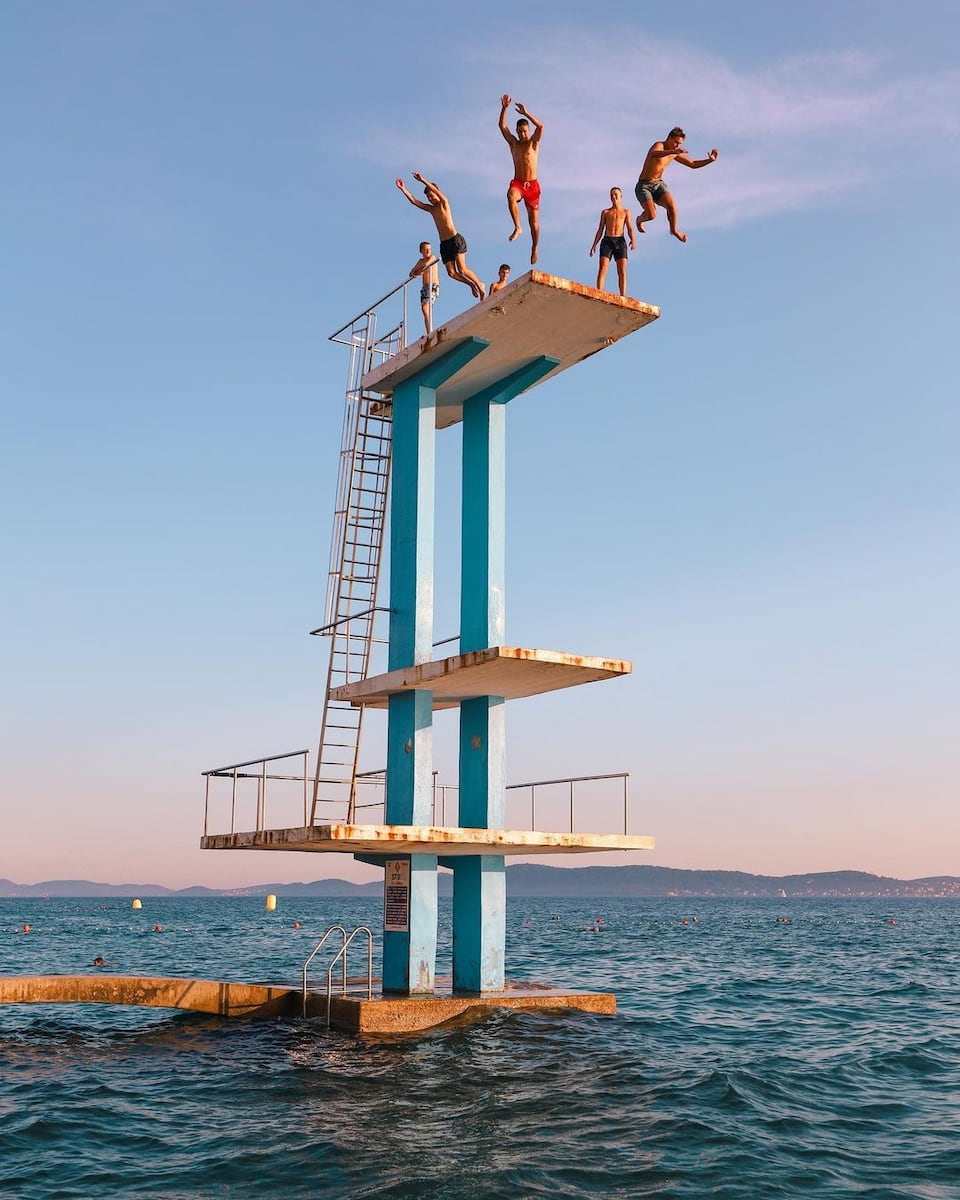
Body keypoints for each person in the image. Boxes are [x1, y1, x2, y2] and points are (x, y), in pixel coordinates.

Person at [395, 174, 485, 300]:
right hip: (444, 244)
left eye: (432, 196)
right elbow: (414, 201)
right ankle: (471, 284)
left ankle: (479, 284)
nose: (430, 199)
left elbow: (437, 192)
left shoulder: (444, 203)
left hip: (455, 239)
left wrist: (423, 180)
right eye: (428, 197)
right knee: (452, 273)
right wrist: (403, 188)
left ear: (437, 193)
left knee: (462, 269)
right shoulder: (431, 209)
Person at [634, 127, 718, 242]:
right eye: (676, 142)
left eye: (679, 144)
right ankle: (639, 220)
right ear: (669, 138)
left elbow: (692, 164)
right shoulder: (659, 145)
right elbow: (654, 154)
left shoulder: (675, 152)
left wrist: (710, 160)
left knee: (672, 206)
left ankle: (673, 230)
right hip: (644, 186)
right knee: (652, 215)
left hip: (658, 184)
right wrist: (673, 152)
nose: (677, 146)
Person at [499, 95, 543, 264]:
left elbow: (541, 126)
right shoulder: (514, 144)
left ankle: (534, 247)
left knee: (535, 224)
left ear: (528, 131)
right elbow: (502, 127)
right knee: (510, 195)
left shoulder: (533, 143)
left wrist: (526, 113)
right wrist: (504, 109)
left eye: (525, 131)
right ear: (517, 132)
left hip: (532, 186)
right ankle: (517, 226)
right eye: (520, 132)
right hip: (518, 183)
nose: (523, 134)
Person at [589, 188, 636, 296]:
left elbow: (630, 228)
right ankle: (599, 293)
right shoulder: (606, 212)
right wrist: (594, 244)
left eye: (615, 194)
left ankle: (623, 296)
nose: (613, 197)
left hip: (620, 241)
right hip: (607, 241)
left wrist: (633, 240)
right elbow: (600, 229)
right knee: (602, 268)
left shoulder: (626, 212)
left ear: (621, 196)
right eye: (611, 195)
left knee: (622, 270)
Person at [409, 241, 440, 335]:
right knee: (424, 309)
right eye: (425, 249)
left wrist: (418, 270)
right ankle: (428, 331)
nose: (428, 251)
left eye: (429, 249)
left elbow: (427, 264)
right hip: (425, 288)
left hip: (433, 286)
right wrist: (417, 271)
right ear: (421, 251)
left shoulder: (433, 257)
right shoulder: (420, 261)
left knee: (426, 307)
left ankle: (430, 331)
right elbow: (411, 273)